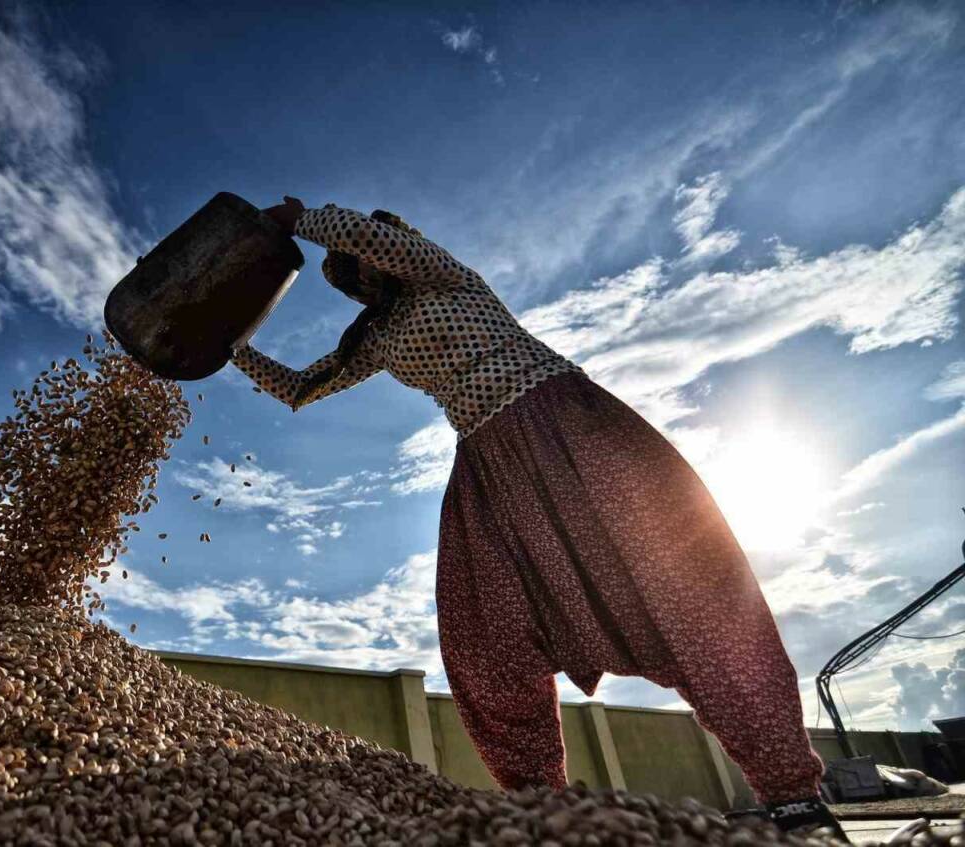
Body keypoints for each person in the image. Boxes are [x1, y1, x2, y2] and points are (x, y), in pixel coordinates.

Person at [230, 196, 848, 841]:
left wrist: (297, 216)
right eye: (350, 272)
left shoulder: (446, 275)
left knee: (686, 589)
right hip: (489, 467)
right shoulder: (378, 338)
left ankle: (792, 795)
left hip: (569, 428)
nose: (361, 271)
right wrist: (231, 344)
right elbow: (300, 388)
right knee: (484, 631)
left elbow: (368, 236)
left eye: (363, 257)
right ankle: (540, 808)